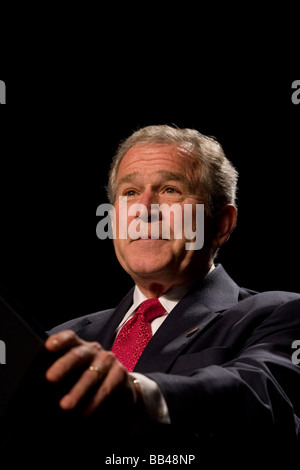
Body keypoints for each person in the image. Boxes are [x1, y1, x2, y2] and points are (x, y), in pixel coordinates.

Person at [28, 125, 300, 464]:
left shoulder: (282, 314)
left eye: (170, 190)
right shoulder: (62, 339)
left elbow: (260, 394)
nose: (144, 209)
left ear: (222, 225)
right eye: (129, 192)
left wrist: (139, 394)